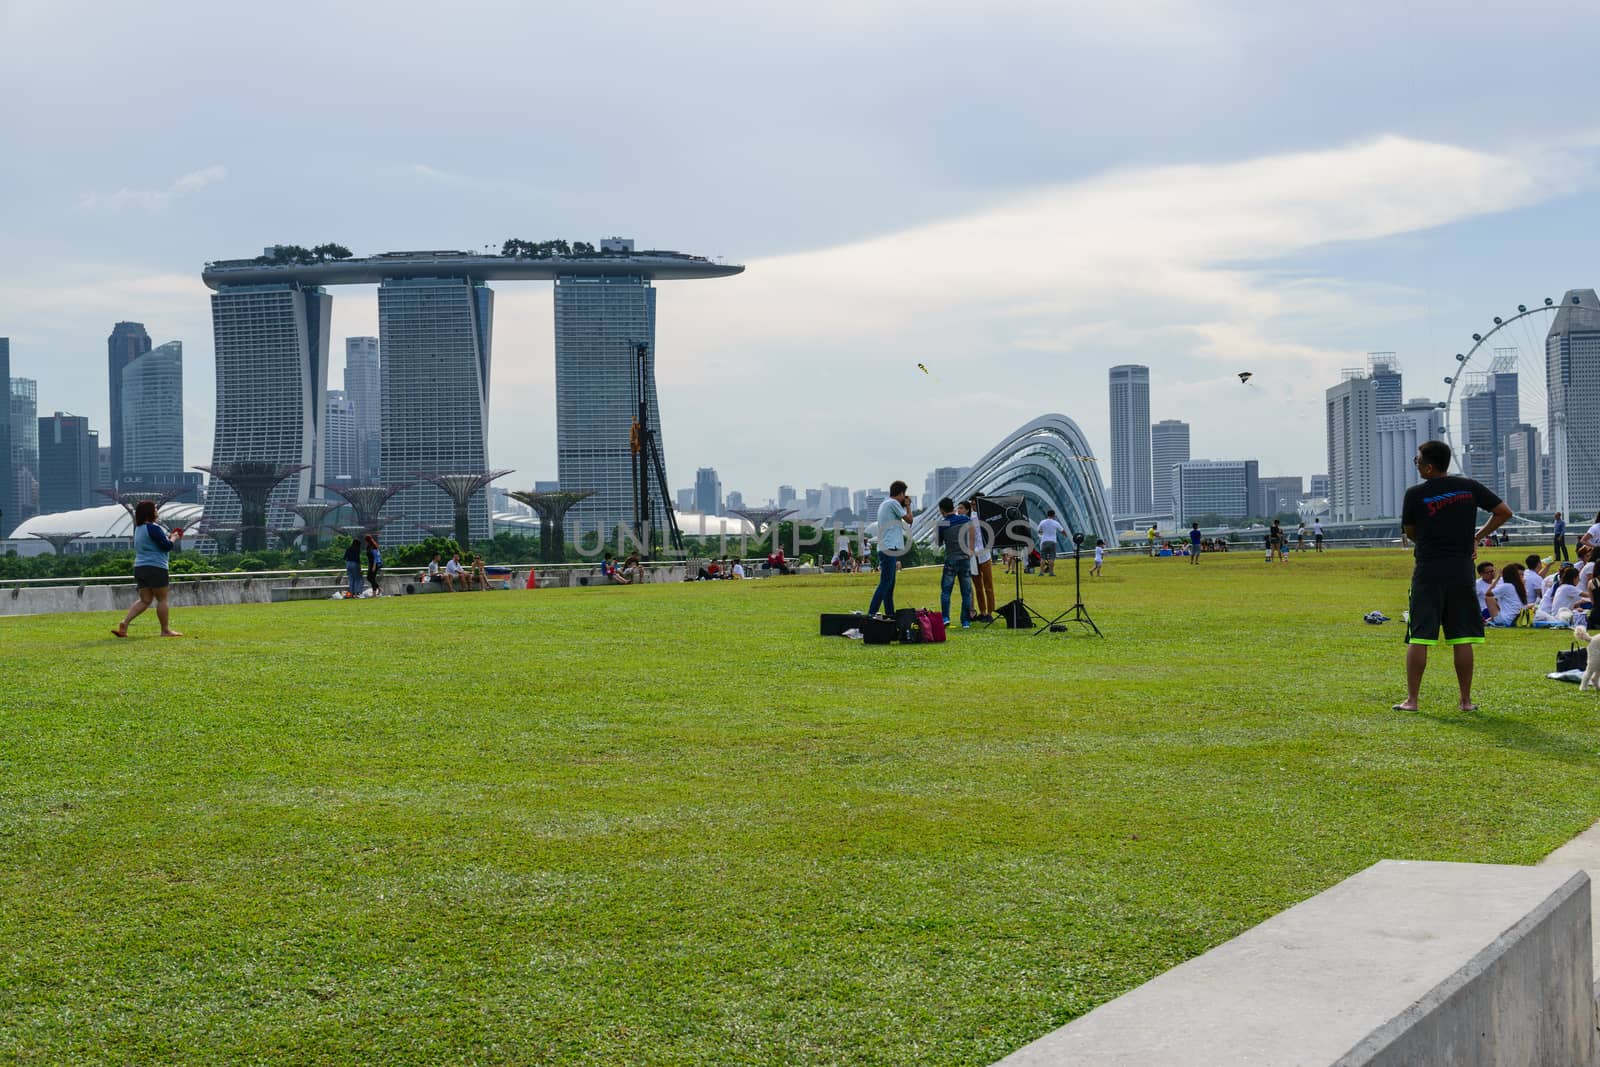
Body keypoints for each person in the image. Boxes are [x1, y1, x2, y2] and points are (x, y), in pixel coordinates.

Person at [1395, 439, 1512, 712]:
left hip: (1428, 570)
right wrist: (1477, 537)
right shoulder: (1468, 487)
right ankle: (1465, 701)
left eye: (1418, 461)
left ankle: (1412, 701)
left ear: (1429, 467)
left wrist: (1427, 539)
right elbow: (1504, 512)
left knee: (1420, 636)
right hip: (1461, 569)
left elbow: (1410, 531)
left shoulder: (1414, 493)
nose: (1416, 464)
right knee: (1462, 636)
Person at [112, 500, 186, 638]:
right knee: (162, 599)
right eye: (155, 509)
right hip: (156, 567)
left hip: (140, 567)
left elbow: (154, 544)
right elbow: (167, 546)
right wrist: (174, 538)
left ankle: (125, 623)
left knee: (145, 600)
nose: (157, 512)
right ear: (149, 513)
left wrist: (167, 538)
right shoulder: (153, 528)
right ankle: (165, 630)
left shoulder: (138, 529)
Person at [868, 480, 912, 616]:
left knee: (889, 585)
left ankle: (890, 615)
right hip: (889, 548)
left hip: (886, 547)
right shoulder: (893, 503)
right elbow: (909, 520)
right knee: (885, 583)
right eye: (904, 495)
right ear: (901, 493)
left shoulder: (885, 503)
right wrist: (908, 506)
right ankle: (871, 614)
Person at [935, 497, 974, 628]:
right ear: (953, 507)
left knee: (946, 591)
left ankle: (945, 617)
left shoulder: (942, 524)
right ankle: (966, 621)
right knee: (966, 593)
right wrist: (971, 549)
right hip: (964, 559)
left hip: (950, 559)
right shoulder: (965, 519)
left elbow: (938, 543)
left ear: (941, 510)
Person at [964, 500, 996, 622]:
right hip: (974, 555)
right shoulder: (970, 518)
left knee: (988, 586)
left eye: (974, 504)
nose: (973, 506)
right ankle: (982, 611)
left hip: (985, 555)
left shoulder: (988, 517)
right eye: (971, 504)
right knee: (978, 586)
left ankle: (990, 612)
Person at [1489, 562, 1530, 627]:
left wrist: (1498, 577)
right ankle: (1490, 620)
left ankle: (1494, 620)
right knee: (1493, 599)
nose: (1521, 577)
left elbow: (1488, 594)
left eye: (1523, 575)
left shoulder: (1514, 586)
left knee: (1489, 598)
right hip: (1516, 618)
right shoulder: (1510, 585)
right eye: (1519, 575)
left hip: (1510, 618)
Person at [1036, 509, 1063, 576]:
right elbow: (1062, 530)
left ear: (1047, 515)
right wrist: (1065, 535)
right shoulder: (1055, 523)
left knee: (1043, 558)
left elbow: (1038, 530)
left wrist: (1043, 532)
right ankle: (1051, 572)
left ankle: (1041, 572)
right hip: (1052, 541)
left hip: (1044, 541)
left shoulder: (1042, 522)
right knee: (1052, 558)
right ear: (1054, 515)